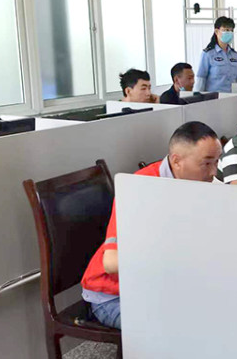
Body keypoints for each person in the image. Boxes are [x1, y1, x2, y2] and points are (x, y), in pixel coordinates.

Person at [80, 121, 222, 329]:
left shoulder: (196, 184)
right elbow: (111, 262)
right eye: (207, 163)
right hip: (115, 296)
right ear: (177, 161)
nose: (213, 172)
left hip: (158, 286)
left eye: (217, 162)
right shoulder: (139, 189)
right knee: (187, 328)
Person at [195, 16, 237, 93]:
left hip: (231, 96)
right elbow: (201, 78)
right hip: (214, 97)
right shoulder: (208, 54)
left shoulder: (234, 55)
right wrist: (198, 97)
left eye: (231, 30)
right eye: (226, 30)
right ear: (216, 31)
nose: (229, 33)